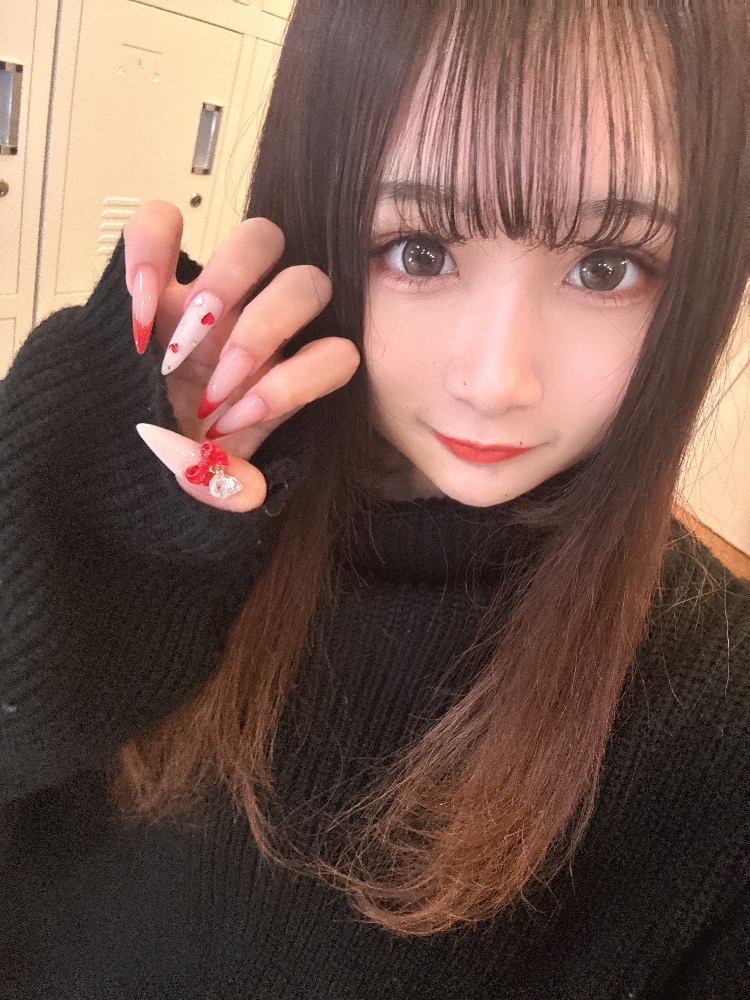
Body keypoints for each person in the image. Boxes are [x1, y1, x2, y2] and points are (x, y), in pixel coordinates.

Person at [1, 1, 748, 996]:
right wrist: (64, 519)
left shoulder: (719, 724)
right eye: (422, 251)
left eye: (606, 267)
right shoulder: (164, 502)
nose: (498, 379)